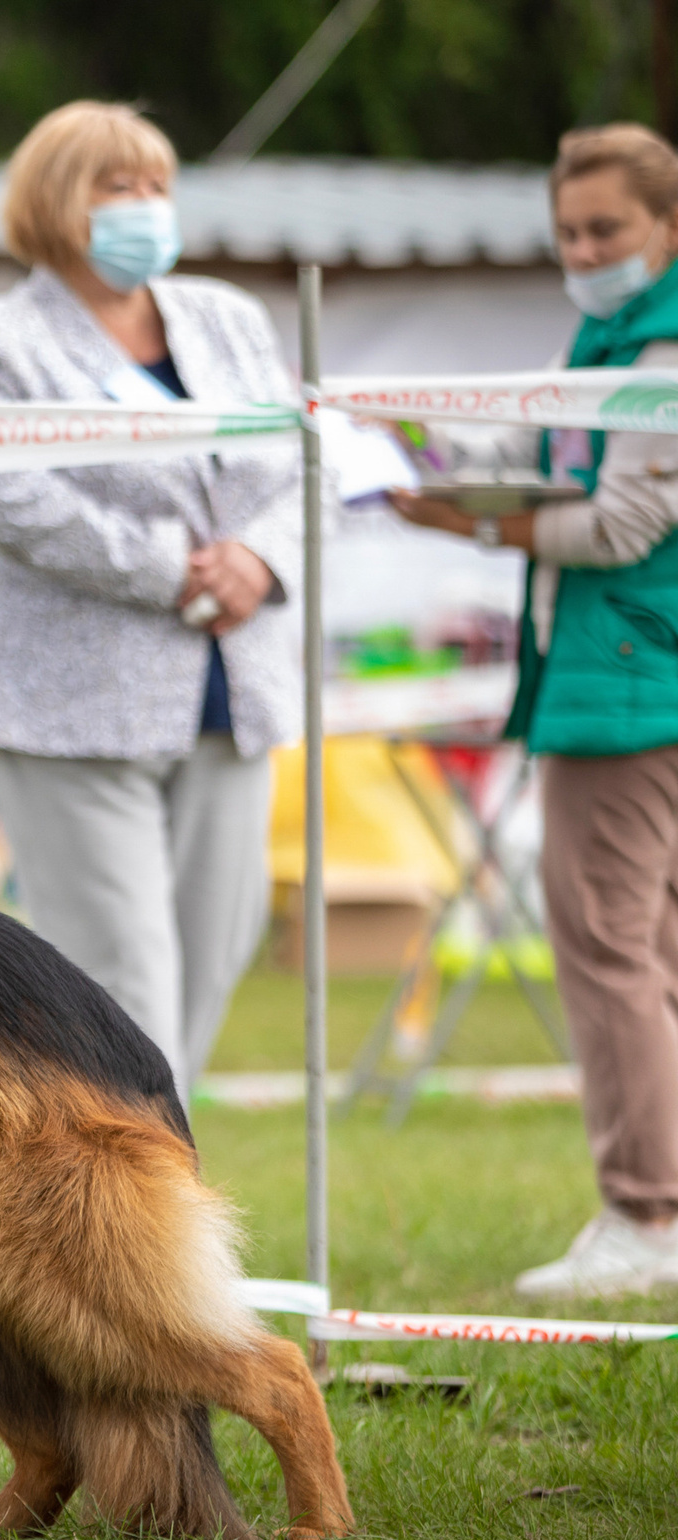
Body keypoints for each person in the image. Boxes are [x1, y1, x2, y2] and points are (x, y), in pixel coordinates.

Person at [0, 100, 305, 1096]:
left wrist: (260, 564)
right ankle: (132, 1219)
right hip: (72, 702)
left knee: (211, 958)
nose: (146, 205)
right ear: (58, 202)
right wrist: (176, 569)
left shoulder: (229, 319)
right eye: (118, 186)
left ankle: (143, 1191)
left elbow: (304, 465)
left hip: (232, 687)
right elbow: (12, 499)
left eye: (157, 185)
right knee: (120, 978)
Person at [390, 124, 678, 1298]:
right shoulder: (607, 335)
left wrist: (470, 523)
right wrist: (417, 444)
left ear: (666, 225)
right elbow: (527, 445)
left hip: (627, 684)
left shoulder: (653, 350)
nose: (583, 248)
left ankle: (643, 1217)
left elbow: (620, 524)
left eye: (605, 228)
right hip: (624, 672)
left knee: (604, 947)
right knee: (649, 949)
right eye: (567, 230)